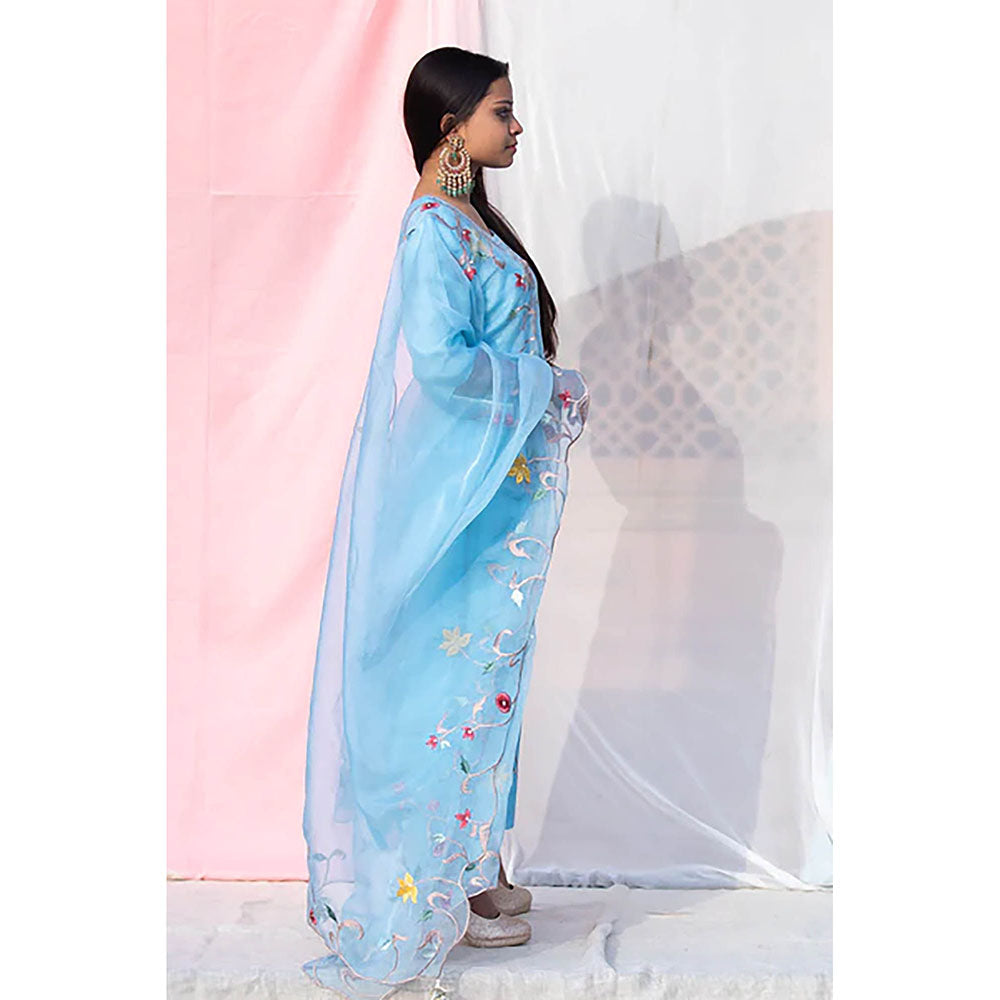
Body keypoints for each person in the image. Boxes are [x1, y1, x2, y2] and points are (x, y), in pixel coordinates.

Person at [301, 46, 589, 998]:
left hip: (487, 484)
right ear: (450, 126)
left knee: (486, 671)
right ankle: (437, 886)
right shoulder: (434, 229)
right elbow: (442, 363)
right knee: (446, 678)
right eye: (502, 110)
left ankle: (474, 869)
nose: (517, 125)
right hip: (453, 492)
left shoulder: (469, 221)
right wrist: (549, 383)